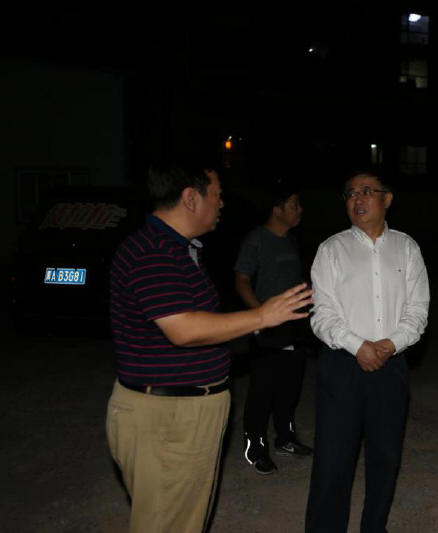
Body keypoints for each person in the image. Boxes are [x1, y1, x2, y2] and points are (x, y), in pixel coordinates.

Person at [105, 162, 312, 533]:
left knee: (184, 519)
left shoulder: (182, 249)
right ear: (190, 198)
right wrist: (262, 316)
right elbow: (184, 329)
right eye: (217, 194)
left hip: (182, 412)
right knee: (166, 523)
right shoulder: (153, 251)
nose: (222, 203)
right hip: (166, 418)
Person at [305, 172, 430, 533]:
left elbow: (417, 309)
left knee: (385, 458)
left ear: (387, 199)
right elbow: (322, 313)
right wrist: (358, 346)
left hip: (391, 366)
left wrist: (390, 345)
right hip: (341, 366)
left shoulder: (407, 247)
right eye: (350, 194)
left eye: (366, 192)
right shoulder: (331, 249)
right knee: (333, 461)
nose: (357, 199)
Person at [234, 183, 313, 475]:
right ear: (277, 209)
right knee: (262, 391)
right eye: (294, 205)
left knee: (289, 387)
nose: (300, 210)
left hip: (294, 327)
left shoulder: (291, 240)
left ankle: (286, 438)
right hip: (267, 328)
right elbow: (241, 279)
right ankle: (255, 447)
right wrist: (259, 315)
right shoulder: (257, 239)